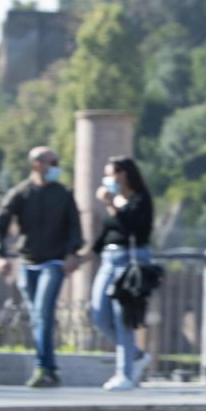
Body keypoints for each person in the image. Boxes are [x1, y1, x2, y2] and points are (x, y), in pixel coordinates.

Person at [0, 146, 84, 388]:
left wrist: (72, 253)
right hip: (28, 262)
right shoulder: (21, 193)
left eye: (56, 162)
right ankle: (50, 369)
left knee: (42, 312)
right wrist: (0, 255)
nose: (55, 167)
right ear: (36, 164)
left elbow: (75, 226)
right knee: (37, 317)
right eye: (51, 162)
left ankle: (42, 367)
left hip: (54, 262)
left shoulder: (63, 194)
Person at [90, 155, 155, 391]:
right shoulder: (116, 201)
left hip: (131, 259)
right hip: (109, 259)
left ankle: (124, 374)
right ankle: (136, 355)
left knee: (122, 317)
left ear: (123, 175)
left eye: (110, 174)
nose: (107, 179)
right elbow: (109, 231)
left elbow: (130, 227)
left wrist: (110, 203)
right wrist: (86, 255)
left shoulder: (140, 199)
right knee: (99, 316)